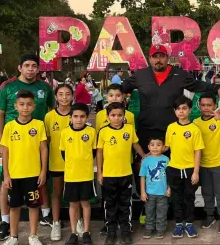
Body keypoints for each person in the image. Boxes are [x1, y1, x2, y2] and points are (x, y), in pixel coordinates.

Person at [121, 44, 220, 154]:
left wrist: (217, 88)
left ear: (168, 58)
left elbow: (197, 85)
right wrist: (119, 93)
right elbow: (123, 87)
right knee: (145, 164)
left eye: (162, 56)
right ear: (150, 59)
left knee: (172, 164)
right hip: (146, 130)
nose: (158, 60)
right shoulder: (140, 75)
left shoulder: (179, 75)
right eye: (155, 57)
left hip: (172, 130)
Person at [0, 54, 55, 241]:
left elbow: (51, 111)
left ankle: (45, 216)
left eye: (34, 66)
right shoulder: (8, 87)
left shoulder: (44, 87)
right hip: (13, 142)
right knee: (8, 183)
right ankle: (5, 222)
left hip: (38, 140)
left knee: (40, 179)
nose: (31, 69)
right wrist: (0, 142)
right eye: (27, 65)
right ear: (20, 67)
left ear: (38, 69)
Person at [0, 90, 48, 245]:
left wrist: (43, 171)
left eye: (28, 104)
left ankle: (33, 235)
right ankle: (13, 236)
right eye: (21, 104)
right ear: (16, 106)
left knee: (34, 207)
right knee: (14, 207)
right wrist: (6, 175)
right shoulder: (9, 126)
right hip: (14, 175)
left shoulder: (39, 125)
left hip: (33, 174)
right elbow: (5, 152)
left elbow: (43, 149)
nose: (25, 108)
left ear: (34, 106)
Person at [96, 102, 146, 245]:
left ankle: (126, 231)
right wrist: (100, 172)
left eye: (119, 115)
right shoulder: (103, 131)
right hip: (108, 175)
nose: (116, 118)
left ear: (124, 116)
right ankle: (111, 231)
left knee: (125, 204)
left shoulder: (129, 129)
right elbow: (99, 152)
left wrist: (144, 156)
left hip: (125, 174)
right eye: (113, 115)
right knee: (110, 204)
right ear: (107, 116)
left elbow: (135, 144)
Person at [193, 92, 220, 233]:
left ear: (215, 105)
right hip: (203, 164)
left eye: (209, 105)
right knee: (207, 193)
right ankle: (210, 216)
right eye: (203, 105)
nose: (206, 108)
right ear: (199, 106)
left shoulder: (219, 120)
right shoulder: (195, 123)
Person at [165, 96, 205, 239]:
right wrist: (152, 151)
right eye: (178, 109)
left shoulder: (194, 129)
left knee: (189, 198)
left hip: (189, 170)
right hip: (174, 169)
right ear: (174, 111)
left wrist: (196, 172)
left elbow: (198, 151)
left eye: (184, 108)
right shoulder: (171, 128)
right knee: (176, 198)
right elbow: (166, 147)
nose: (181, 112)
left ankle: (189, 223)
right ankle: (178, 225)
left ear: (189, 110)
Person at [60, 103, 97, 245]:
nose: (79, 119)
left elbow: (93, 152)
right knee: (73, 205)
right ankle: (74, 232)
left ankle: (86, 232)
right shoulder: (65, 133)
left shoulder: (91, 132)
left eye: (82, 116)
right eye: (75, 116)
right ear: (70, 118)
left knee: (86, 204)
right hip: (71, 176)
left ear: (87, 117)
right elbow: (64, 153)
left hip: (86, 175)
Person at [44, 84, 74, 241]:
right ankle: (55, 223)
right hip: (56, 163)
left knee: (74, 196)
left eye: (67, 94)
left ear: (72, 96)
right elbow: (46, 142)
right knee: (56, 193)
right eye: (61, 94)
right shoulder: (49, 117)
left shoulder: (76, 114)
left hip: (75, 164)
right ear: (55, 97)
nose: (64, 97)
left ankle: (78, 222)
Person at [139, 137, 170, 240]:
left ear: (164, 147)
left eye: (158, 145)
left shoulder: (166, 159)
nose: (155, 147)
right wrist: (143, 192)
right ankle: (149, 228)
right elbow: (142, 176)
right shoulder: (145, 160)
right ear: (148, 147)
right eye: (152, 145)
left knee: (162, 212)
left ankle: (160, 229)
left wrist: (169, 188)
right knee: (149, 211)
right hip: (149, 193)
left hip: (162, 193)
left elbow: (170, 175)